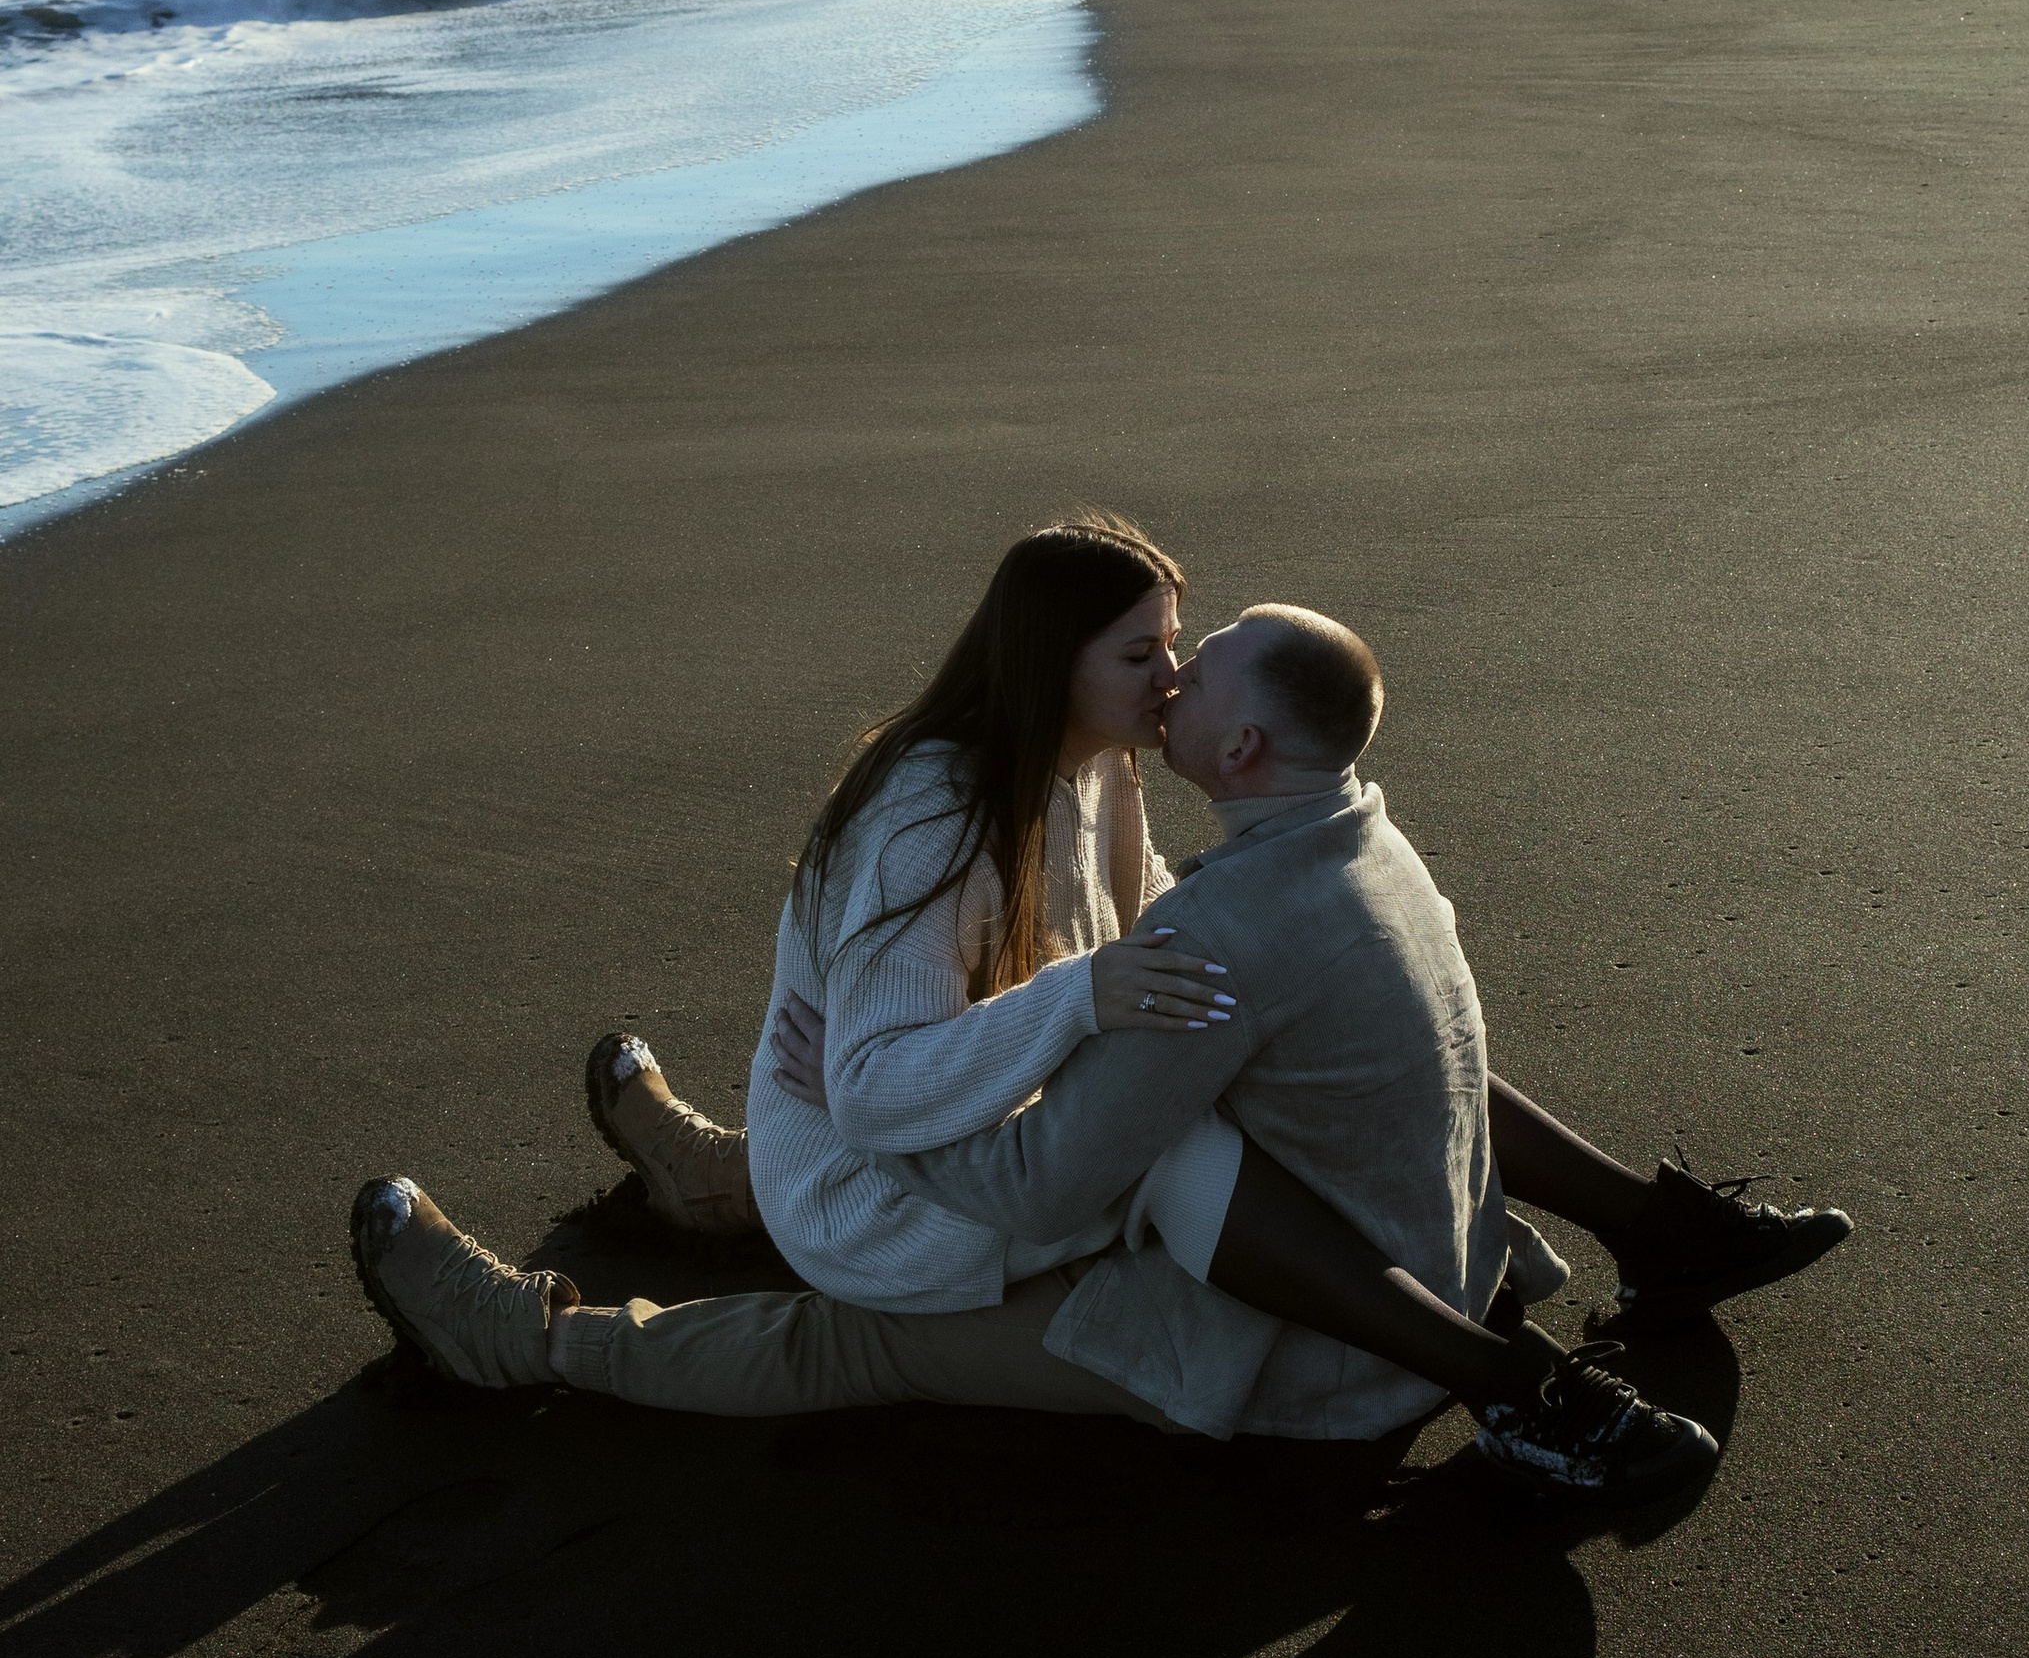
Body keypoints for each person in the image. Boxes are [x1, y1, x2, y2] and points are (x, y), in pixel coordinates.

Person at [351, 518, 1849, 1506]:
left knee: (1215, 1070)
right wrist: (989, 1039)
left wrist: (1066, 1012)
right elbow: (926, 1069)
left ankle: (705, 1167)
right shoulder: (932, 822)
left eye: (1177, 648)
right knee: (851, 1338)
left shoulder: (1102, 765)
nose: (1172, 674)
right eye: (1142, 655)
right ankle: (537, 1335)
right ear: (1051, 663)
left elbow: (1133, 966)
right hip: (892, 1183)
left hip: (979, 1125)